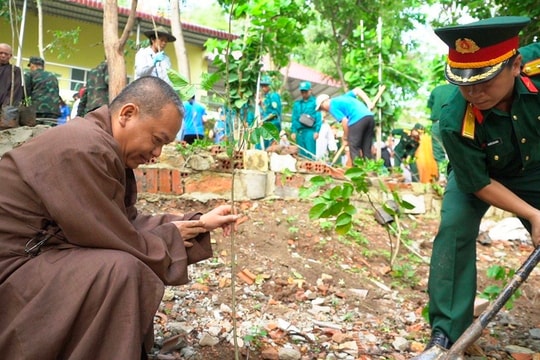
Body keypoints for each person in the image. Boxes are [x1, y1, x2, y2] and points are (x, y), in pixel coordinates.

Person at [0, 76, 240, 359]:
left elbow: (120, 222)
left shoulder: (100, 142)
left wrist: (198, 222)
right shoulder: (85, 146)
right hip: (12, 271)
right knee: (121, 269)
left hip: (35, 260)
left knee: (124, 263)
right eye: (156, 140)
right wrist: (171, 236)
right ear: (127, 114)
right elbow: (111, 236)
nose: (157, 154)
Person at [413, 16, 540, 359]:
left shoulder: (537, 67)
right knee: (453, 229)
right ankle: (446, 335)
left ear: (515, 65)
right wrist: (531, 213)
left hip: (536, 167)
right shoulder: (455, 116)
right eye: (464, 83)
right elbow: (477, 182)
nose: (473, 92)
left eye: (484, 82)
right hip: (482, 175)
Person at [315, 87, 375, 164]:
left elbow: (345, 121)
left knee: (354, 147)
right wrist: (368, 102)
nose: (323, 110)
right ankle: (370, 171)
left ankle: (358, 171)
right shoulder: (344, 97)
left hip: (357, 119)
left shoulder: (332, 106)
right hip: (369, 117)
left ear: (324, 102)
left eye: (321, 108)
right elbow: (357, 90)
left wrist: (346, 138)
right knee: (366, 148)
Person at [427, 83, 455, 171]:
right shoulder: (460, 89)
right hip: (454, 123)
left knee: (438, 152)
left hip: (437, 123)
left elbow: (431, 106)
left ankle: (442, 174)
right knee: (456, 150)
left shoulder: (436, 89)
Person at [24, 56, 60, 124]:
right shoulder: (53, 76)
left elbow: (25, 92)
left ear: (32, 65)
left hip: (38, 110)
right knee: (50, 132)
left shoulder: (30, 74)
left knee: (37, 132)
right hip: (54, 111)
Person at [291, 81, 322, 160]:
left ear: (310, 90)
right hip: (300, 132)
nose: (304, 93)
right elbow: (294, 118)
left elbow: (318, 117)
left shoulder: (315, 102)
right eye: (302, 91)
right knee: (301, 153)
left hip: (310, 131)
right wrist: (293, 131)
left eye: (306, 91)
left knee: (310, 152)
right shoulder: (297, 104)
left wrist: (317, 131)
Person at [258, 75, 282, 149]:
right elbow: (265, 111)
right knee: (261, 147)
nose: (263, 88)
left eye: (265, 85)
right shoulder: (265, 97)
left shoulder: (273, 96)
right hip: (265, 125)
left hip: (273, 125)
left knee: (270, 148)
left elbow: (275, 113)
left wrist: (264, 120)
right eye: (262, 86)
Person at [0, 43, 23, 108]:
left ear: (10, 56)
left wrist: (6, 107)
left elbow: (15, 91)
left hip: (4, 108)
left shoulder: (14, 70)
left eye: (6, 54)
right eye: (1, 53)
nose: (3, 55)